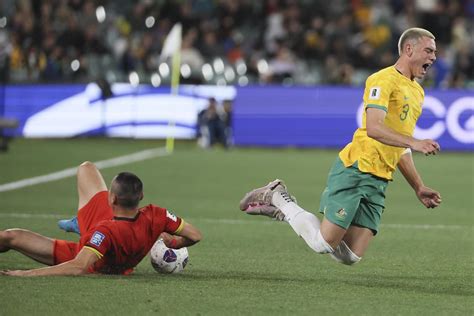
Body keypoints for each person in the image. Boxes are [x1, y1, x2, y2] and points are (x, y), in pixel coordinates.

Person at [239, 27, 442, 265]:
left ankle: (281, 206)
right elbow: (374, 128)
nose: (434, 57)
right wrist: (416, 141)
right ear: (409, 49)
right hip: (358, 168)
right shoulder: (382, 80)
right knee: (323, 243)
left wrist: (418, 187)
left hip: (380, 178)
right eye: (429, 50)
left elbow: (401, 146)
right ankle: (279, 198)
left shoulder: (417, 91)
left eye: (434, 52)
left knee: (350, 256)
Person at [0, 161, 202, 276]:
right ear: (141, 197)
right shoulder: (156, 215)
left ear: (112, 198)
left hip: (87, 249)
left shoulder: (104, 231)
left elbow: (79, 266)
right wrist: (173, 243)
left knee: (86, 167)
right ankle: (81, 223)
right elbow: (195, 235)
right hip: (103, 245)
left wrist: (24, 274)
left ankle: (81, 223)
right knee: (11, 237)